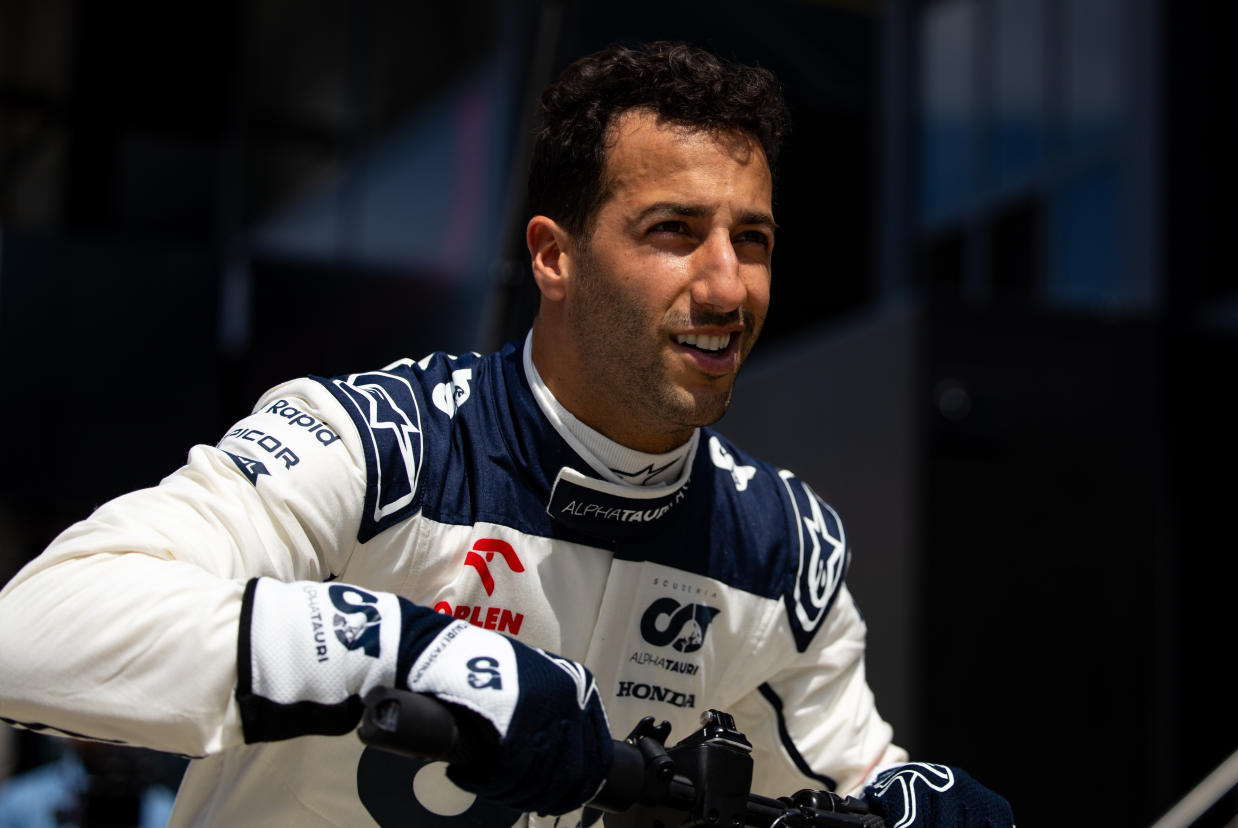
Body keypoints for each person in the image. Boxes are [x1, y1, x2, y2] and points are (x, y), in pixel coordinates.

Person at [0, 42, 1012, 827]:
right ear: (553, 257)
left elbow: (845, 778)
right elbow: (34, 637)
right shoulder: (379, 446)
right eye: (673, 231)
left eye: (751, 239)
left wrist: (911, 798)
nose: (724, 284)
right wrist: (419, 655)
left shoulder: (780, 547)